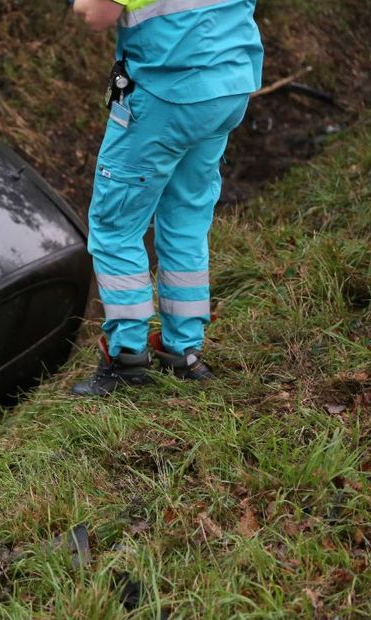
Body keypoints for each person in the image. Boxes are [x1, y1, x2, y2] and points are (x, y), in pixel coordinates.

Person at [69, 0, 264, 396]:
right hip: (227, 88)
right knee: (185, 220)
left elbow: (94, 14)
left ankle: (126, 358)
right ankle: (183, 353)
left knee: (115, 225)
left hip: (167, 93)